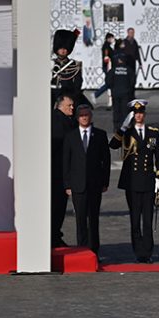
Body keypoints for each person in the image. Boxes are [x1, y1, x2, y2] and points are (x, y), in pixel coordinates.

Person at [109, 99, 159, 263]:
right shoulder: (127, 132)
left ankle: (147, 253)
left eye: (141, 113)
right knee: (135, 220)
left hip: (148, 181)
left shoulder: (153, 132)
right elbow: (113, 145)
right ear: (132, 115)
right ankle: (138, 252)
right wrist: (122, 128)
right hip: (132, 182)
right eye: (136, 113)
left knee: (147, 220)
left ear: (144, 114)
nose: (138, 115)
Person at [62, 104, 110, 254]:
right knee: (80, 219)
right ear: (77, 118)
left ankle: (94, 251)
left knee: (93, 219)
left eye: (86, 115)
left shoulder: (100, 135)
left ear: (91, 116)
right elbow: (66, 162)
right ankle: (82, 250)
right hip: (77, 185)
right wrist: (67, 184)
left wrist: (105, 182)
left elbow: (106, 161)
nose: (84, 117)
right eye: (81, 115)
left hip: (95, 185)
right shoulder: (70, 136)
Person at [51, 92, 76, 246]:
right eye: (69, 105)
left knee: (59, 206)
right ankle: (54, 236)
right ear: (61, 105)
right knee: (57, 206)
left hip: (60, 172)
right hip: (58, 172)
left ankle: (55, 234)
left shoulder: (64, 120)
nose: (72, 108)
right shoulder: (58, 121)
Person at [51, 29, 85, 106]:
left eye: (65, 48)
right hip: (51, 96)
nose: (63, 50)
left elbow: (77, 85)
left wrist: (71, 98)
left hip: (67, 96)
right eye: (60, 48)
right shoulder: (50, 63)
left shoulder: (75, 65)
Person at [107, 44, 136, 130]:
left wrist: (113, 88)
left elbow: (108, 82)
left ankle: (116, 127)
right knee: (125, 111)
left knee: (116, 111)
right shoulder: (129, 70)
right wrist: (129, 90)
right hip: (126, 94)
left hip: (115, 93)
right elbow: (133, 82)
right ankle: (125, 127)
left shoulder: (113, 70)